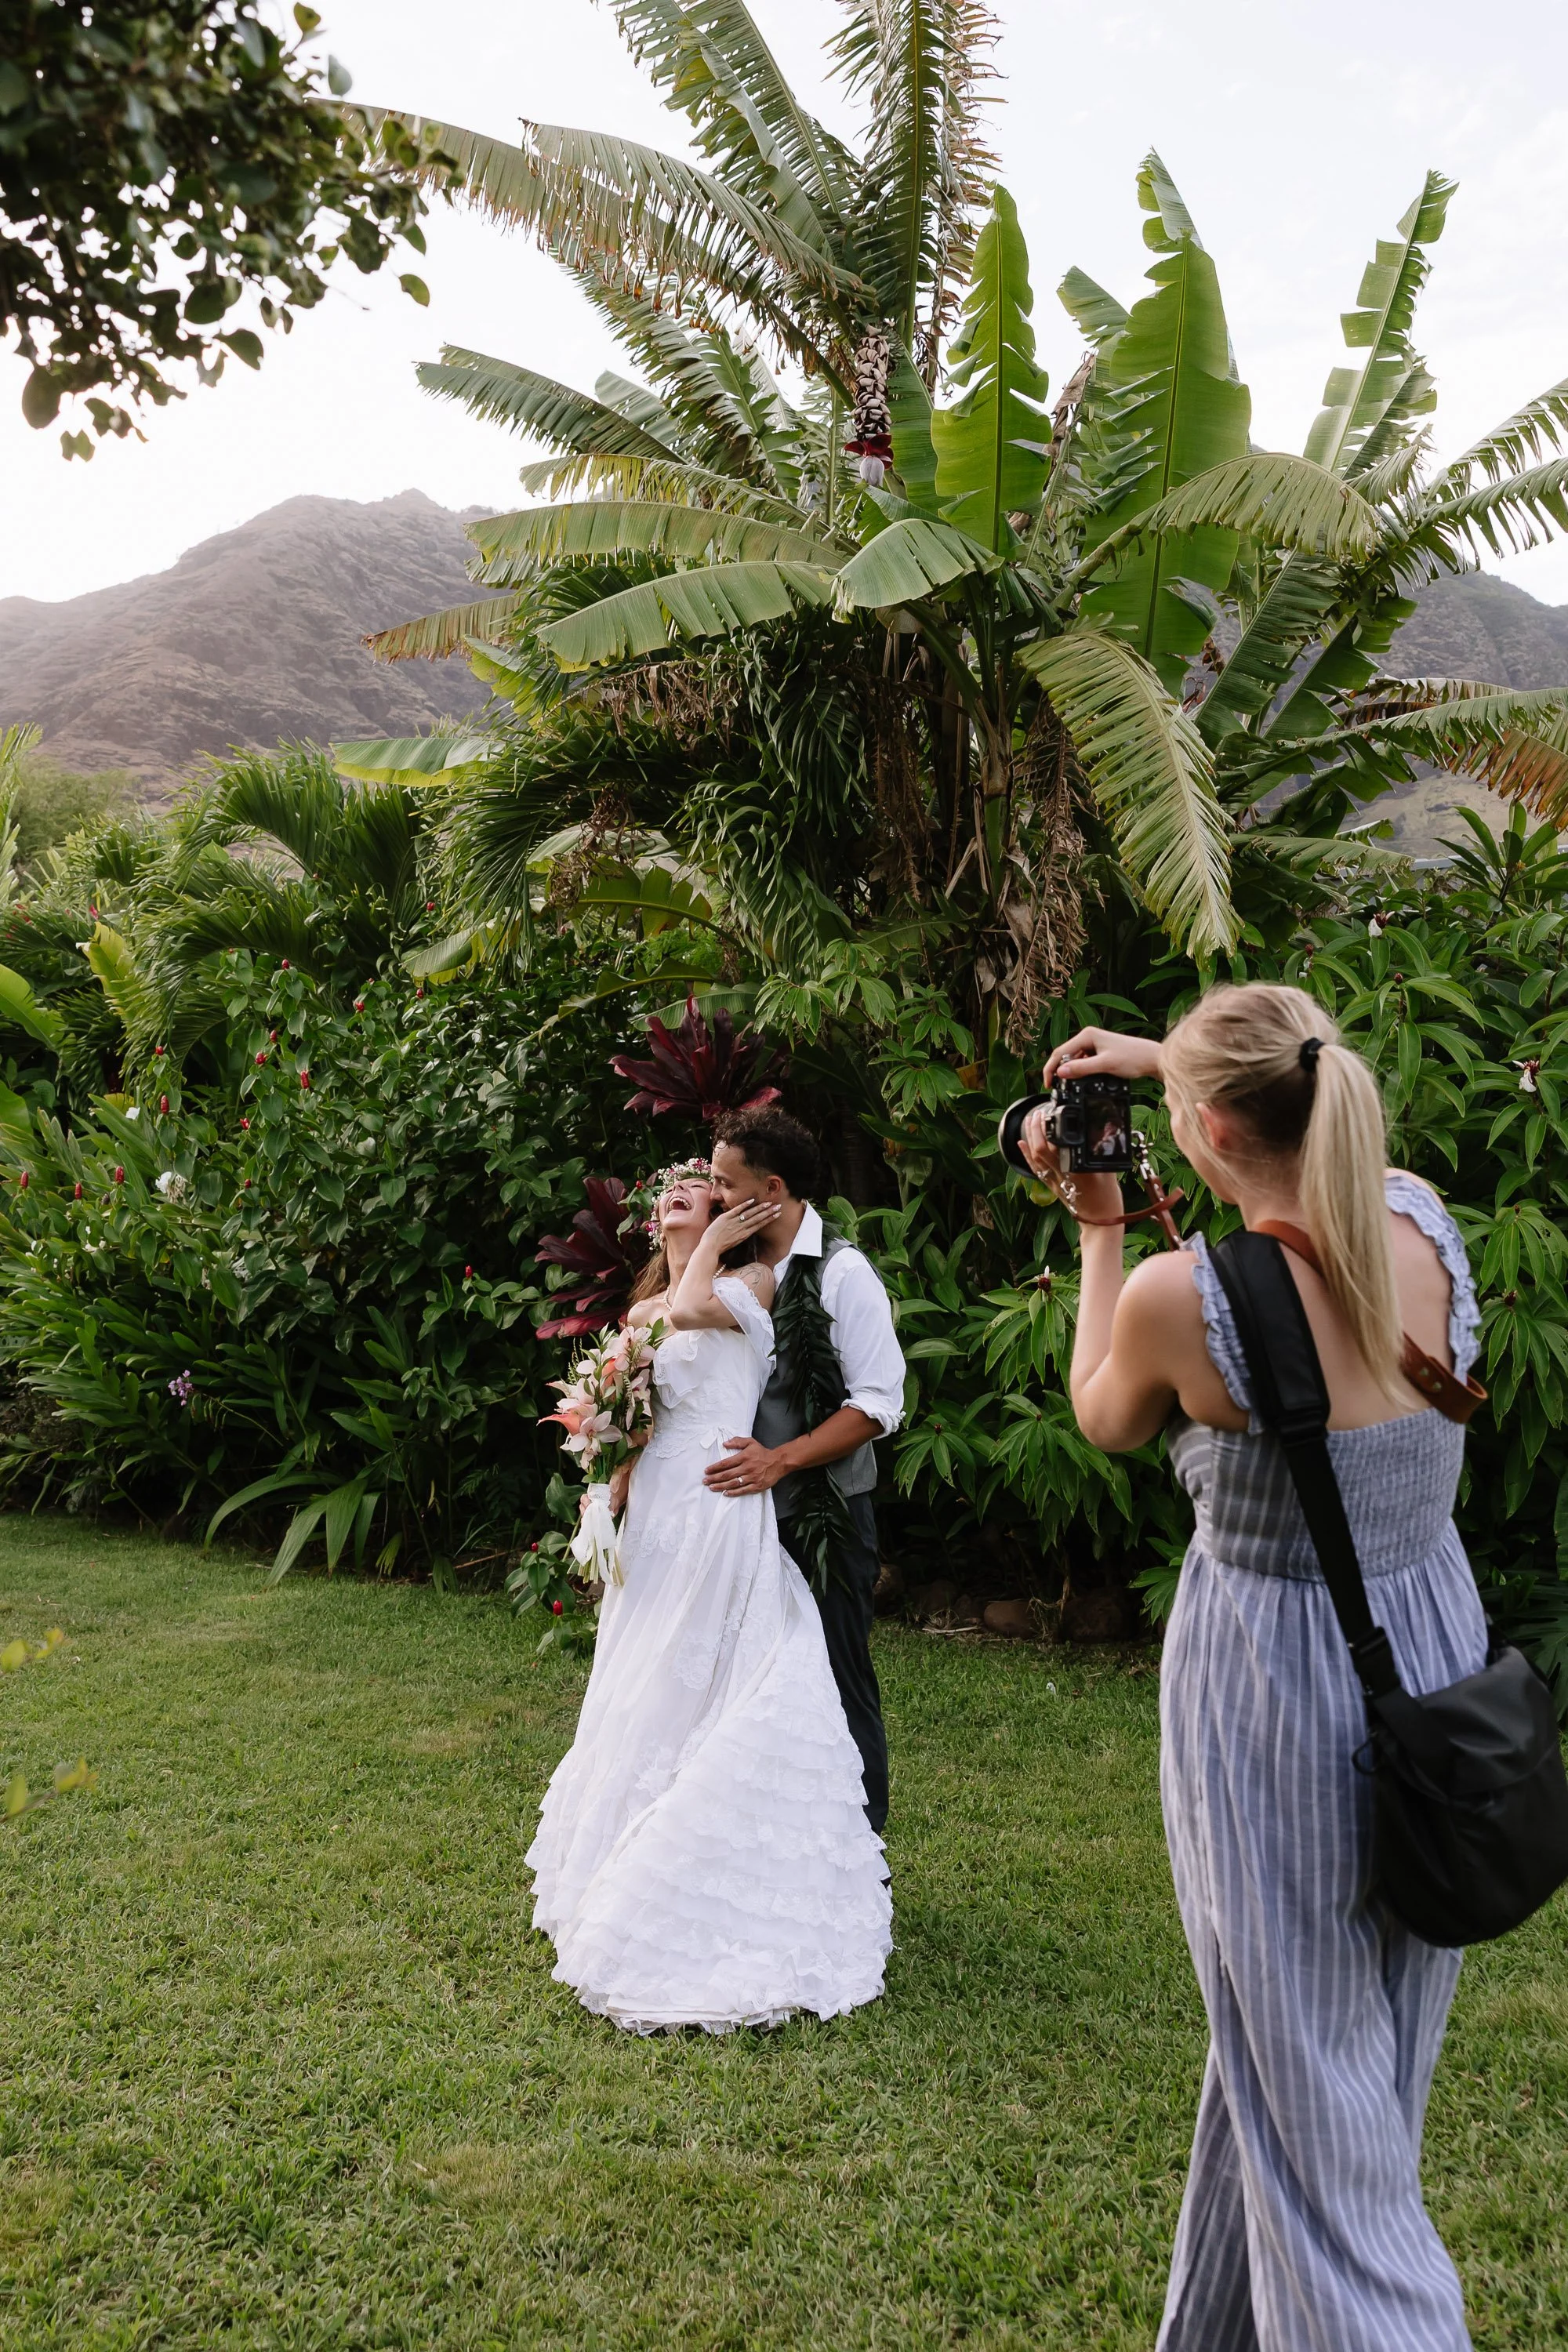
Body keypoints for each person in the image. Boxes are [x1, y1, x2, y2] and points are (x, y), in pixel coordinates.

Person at [1018, 985, 1483, 2352]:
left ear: (1209, 1126)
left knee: (1312, 2098)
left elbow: (1103, 1411)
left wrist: (1100, 1227)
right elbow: (1309, 1096)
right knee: (1317, 2062)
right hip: (1432, 1652)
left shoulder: (1184, 1295)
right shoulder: (1417, 1220)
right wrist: (1184, 1063)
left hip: (1275, 1684)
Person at [526, 1163, 891, 2034]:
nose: (676, 1195)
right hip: (656, 1514)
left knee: (727, 1668)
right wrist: (604, 1491)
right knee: (647, 1675)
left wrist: (716, 1245)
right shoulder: (644, 1304)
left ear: (730, 1206)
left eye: (696, 1186)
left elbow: (690, 1316)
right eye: (666, 1194)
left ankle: (715, 1864)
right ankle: (623, 1850)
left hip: (720, 1504)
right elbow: (632, 1414)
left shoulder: (751, 1279)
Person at [702, 1107, 906, 1834]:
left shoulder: (845, 1272)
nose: (714, 1196)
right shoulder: (737, 1271)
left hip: (827, 1516)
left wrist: (781, 1459)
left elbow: (881, 1403)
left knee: (840, 1681)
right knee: (757, 1689)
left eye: (724, 1183)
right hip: (744, 1523)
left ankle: (863, 1852)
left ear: (773, 1187)